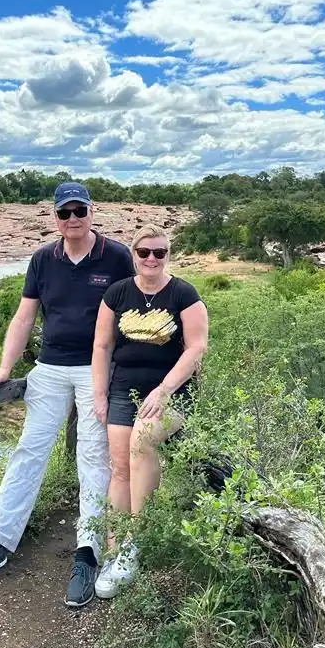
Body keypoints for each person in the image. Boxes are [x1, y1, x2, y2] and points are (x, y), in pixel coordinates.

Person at [0, 182, 135, 608]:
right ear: (55, 217)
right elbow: (24, 316)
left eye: (79, 210)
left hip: (96, 369)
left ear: (93, 211)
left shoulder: (117, 256)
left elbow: (135, 308)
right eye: (64, 212)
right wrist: (5, 367)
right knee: (29, 451)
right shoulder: (42, 259)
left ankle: (87, 554)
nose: (73, 219)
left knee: (93, 456)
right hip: (50, 367)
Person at [91, 224, 208, 599]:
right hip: (125, 388)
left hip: (173, 391)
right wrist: (99, 393)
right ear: (134, 256)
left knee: (142, 442)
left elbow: (195, 349)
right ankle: (113, 549)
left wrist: (163, 390)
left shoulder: (183, 294)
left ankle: (135, 543)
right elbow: (102, 346)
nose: (152, 259)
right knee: (120, 465)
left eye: (160, 252)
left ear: (168, 255)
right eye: (144, 253)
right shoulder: (117, 293)